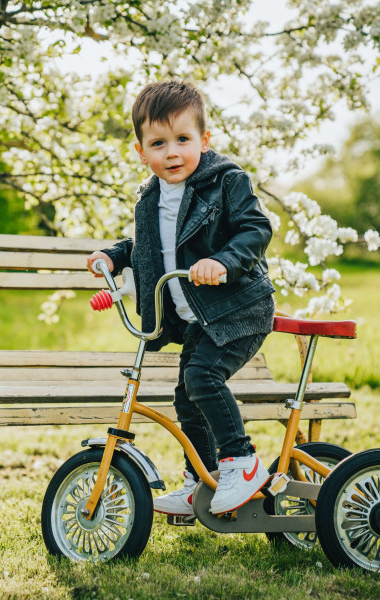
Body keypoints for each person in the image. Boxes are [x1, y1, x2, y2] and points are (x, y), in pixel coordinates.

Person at [86, 80, 276, 516]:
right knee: (185, 395)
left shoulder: (227, 181)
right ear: (140, 151)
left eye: (183, 140)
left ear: (204, 141)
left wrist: (224, 261)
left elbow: (256, 229)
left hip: (237, 310)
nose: (172, 152)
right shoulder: (149, 198)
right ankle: (201, 480)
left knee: (203, 379)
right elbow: (142, 244)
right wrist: (114, 257)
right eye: (158, 143)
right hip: (198, 319)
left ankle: (241, 462)